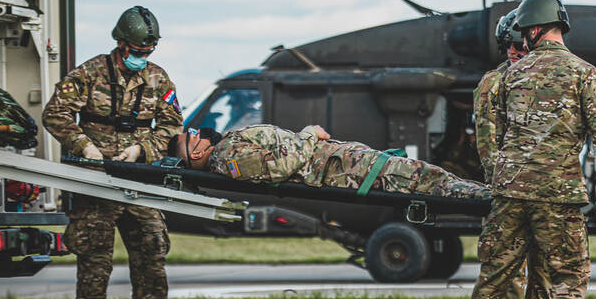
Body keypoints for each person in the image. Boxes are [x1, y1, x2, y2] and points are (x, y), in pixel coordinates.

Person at [459, 0, 596, 299]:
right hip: (556, 192)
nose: (520, 40)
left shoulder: (509, 76)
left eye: (523, 32)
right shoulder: (586, 74)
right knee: (568, 273)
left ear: (535, 29)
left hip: (509, 191)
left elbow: (497, 136)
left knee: (495, 273)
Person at [43, 6, 182, 299]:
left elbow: (171, 126)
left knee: (152, 261)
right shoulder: (90, 73)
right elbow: (55, 113)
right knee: (94, 267)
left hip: (139, 182)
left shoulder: (158, 78)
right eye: (136, 51)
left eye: (147, 52)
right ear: (120, 43)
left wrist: (141, 148)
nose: (142, 57)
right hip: (97, 184)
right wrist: (83, 145)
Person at [170, 124, 488, 199]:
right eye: (189, 136)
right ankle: (489, 198)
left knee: (426, 176)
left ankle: (488, 194)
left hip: (344, 161)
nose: (194, 132)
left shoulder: (230, 143)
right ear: (195, 153)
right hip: (342, 168)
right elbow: (281, 166)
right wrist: (309, 133)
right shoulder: (226, 158)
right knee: (426, 179)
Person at [473, 12, 545, 299]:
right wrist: (502, 186)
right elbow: (488, 145)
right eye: (509, 46)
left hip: (546, 187)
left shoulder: (549, 78)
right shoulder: (494, 83)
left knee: (546, 266)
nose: (515, 52)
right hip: (508, 188)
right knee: (507, 267)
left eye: (521, 45)